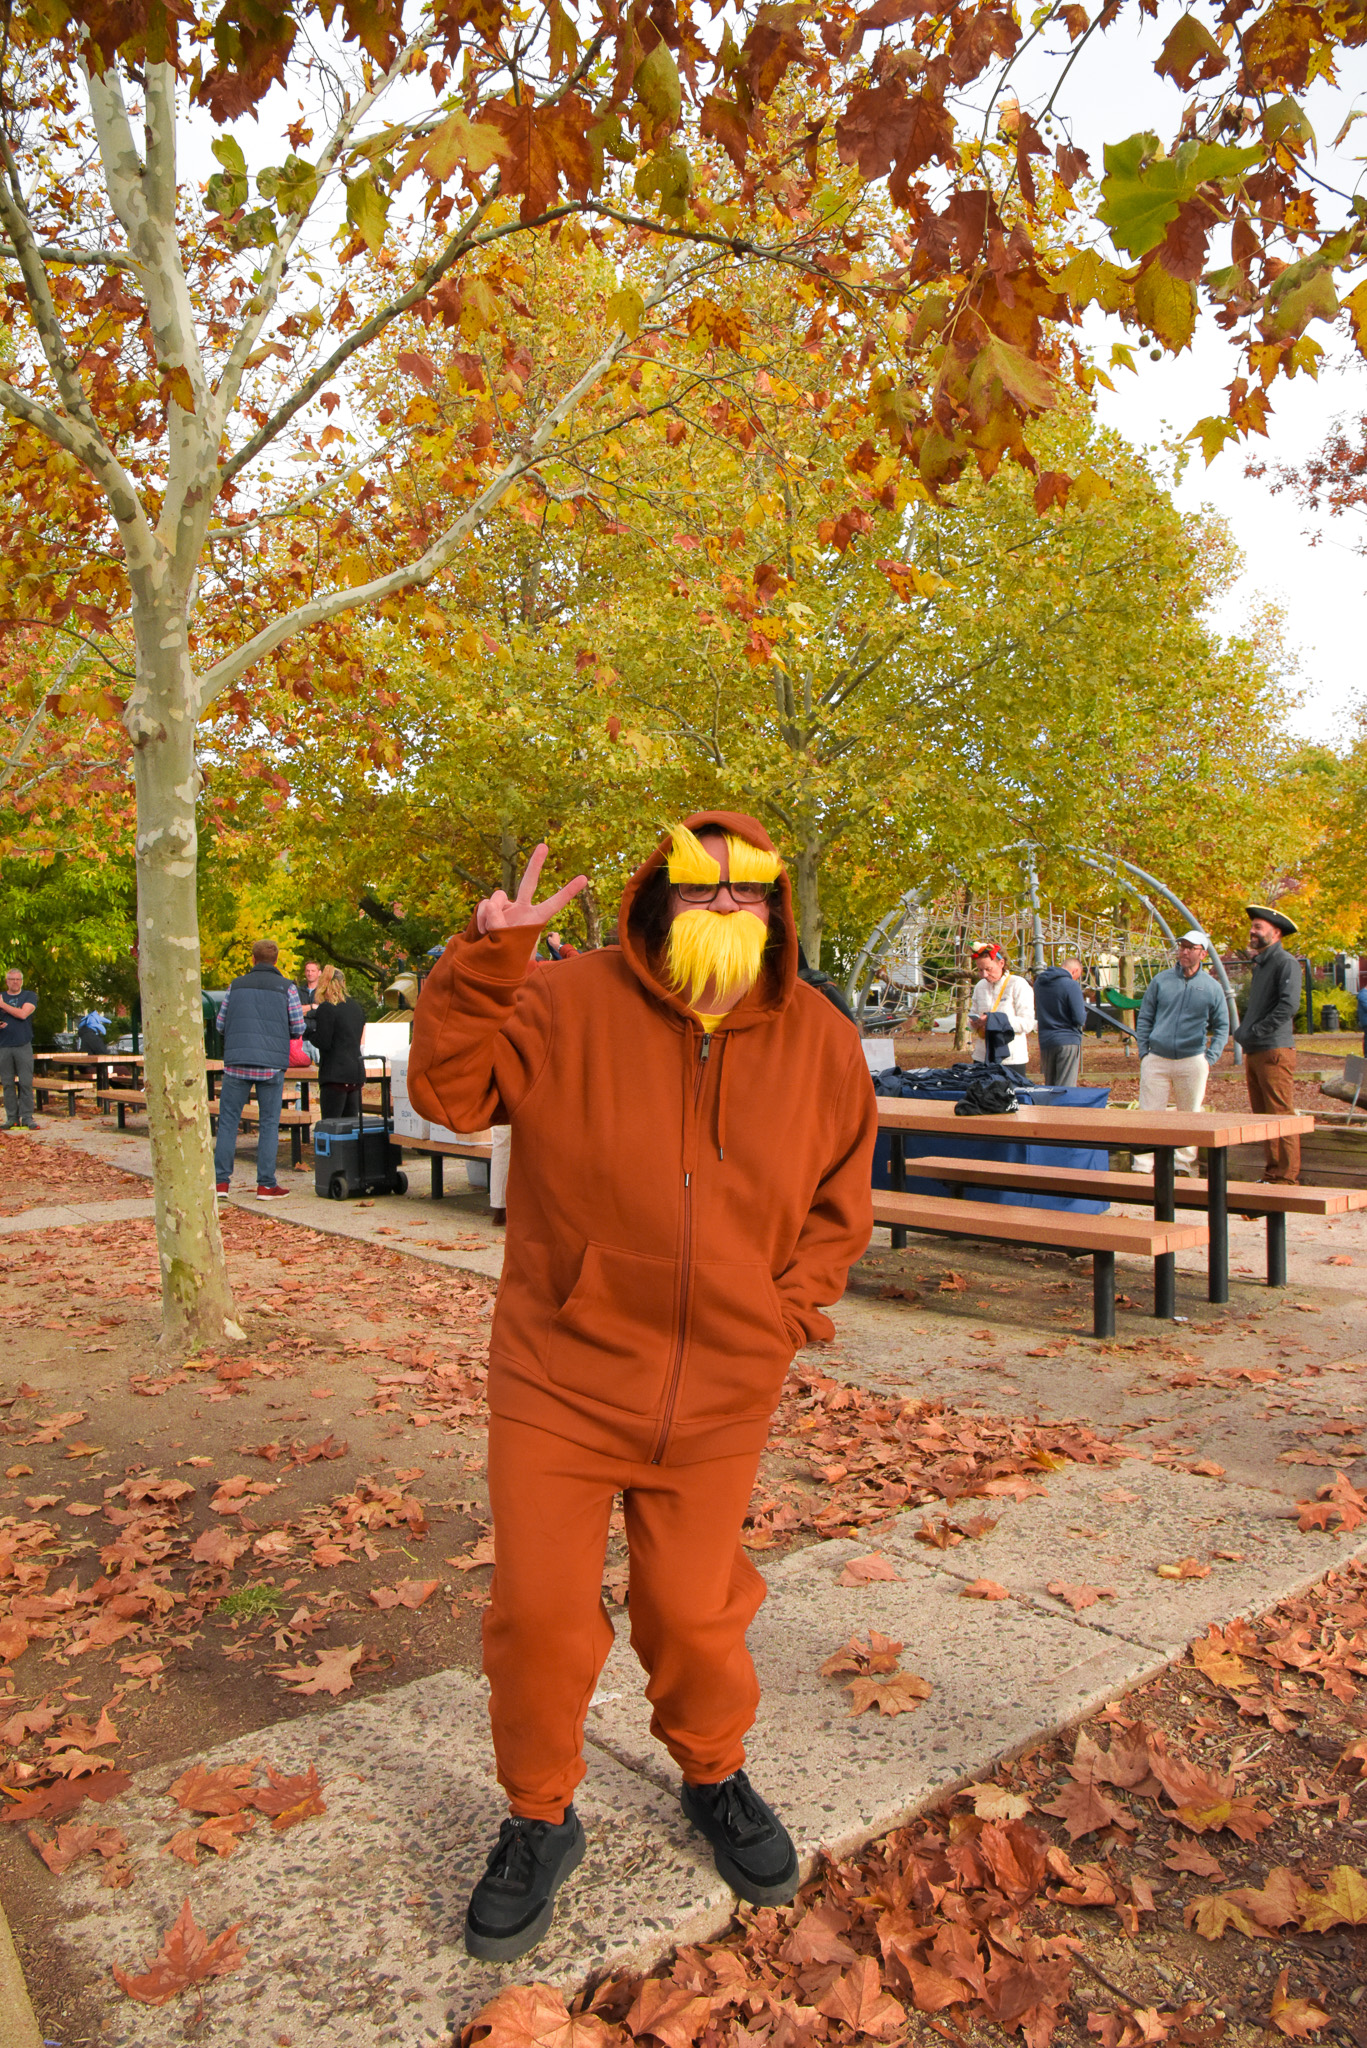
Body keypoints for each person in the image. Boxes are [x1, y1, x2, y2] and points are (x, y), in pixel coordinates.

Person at [408, 812, 875, 1963]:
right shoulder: (562, 1002)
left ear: (777, 907)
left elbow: (840, 1198)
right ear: (656, 898)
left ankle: (713, 1775)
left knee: (695, 1609)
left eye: (748, 891)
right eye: (700, 889)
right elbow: (447, 1092)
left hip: (721, 1390)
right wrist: (486, 960)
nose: (725, 908)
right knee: (540, 1612)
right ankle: (538, 1813)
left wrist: (781, 1316)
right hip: (558, 1380)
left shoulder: (819, 1035)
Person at [1130, 933, 1229, 1177]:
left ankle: (1183, 1166)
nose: (1184, 952)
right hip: (1157, 1058)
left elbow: (1222, 1025)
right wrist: (1145, 1052)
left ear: (1203, 954)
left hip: (1192, 1059)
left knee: (1190, 1114)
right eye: (1182, 947)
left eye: (1190, 948)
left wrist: (1209, 1059)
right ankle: (1143, 1166)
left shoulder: (1212, 987)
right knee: (1149, 1114)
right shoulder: (1161, 981)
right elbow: (1145, 1017)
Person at [214, 940, 305, 1200]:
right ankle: (266, 1184)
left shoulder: (235, 985)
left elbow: (221, 1024)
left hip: (237, 1062)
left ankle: (221, 1183)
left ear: (253, 959)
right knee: (268, 1124)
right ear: (276, 961)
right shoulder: (287, 988)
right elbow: (298, 1028)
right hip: (271, 1065)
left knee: (228, 1122)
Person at [1233, 904, 1304, 1184]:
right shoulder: (1262, 964)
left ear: (1275, 933)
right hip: (1257, 1049)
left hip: (1274, 1050)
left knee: (1280, 1114)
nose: (1252, 931)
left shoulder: (1285, 962)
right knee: (1262, 1115)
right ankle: (1272, 1172)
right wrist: (1246, 1034)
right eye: (1252, 927)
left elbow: (1289, 1005)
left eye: (1258, 927)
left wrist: (1256, 1031)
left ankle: (1287, 1176)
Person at [968, 943, 1035, 1081]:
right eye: (980, 970)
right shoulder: (980, 986)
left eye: (988, 969)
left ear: (1001, 963)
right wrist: (974, 1024)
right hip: (982, 1055)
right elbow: (971, 1016)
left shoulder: (1018, 984)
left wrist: (994, 1020)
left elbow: (1027, 1024)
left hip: (1011, 1058)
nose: (984, 975)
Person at [310, 966, 367, 1119]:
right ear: (343, 983)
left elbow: (324, 1042)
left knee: (331, 1124)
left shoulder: (327, 1008)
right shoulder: (355, 1007)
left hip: (335, 1073)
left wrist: (308, 1033)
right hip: (355, 1072)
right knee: (351, 1125)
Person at [1033, 957, 1087, 1087]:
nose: (1076, 980)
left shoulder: (1040, 983)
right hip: (1067, 1039)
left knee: (1050, 1086)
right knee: (1065, 1088)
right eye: (1077, 976)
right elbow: (1079, 1018)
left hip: (1046, 1040)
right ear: (1075, 971)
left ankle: (1049, 1108)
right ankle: (1063, 1108)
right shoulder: (1071, 984)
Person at [0, 969, 38, 1130]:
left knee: (25, 1082)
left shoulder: (29, 996)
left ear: (21, 981)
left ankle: (27, 1117)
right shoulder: (2, 995)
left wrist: (2, 1005)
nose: (15, 982)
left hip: (23, 1044)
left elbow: (23, 1014)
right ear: (6, 981)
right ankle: (12, 1118)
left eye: (18, 979)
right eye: (12, 979)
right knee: (7, 1083)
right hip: (4, 1045)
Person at [295, 960, 323, 1060]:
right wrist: (312, 1006)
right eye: (307, 971)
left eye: (313, 971)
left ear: (319, 973)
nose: (310, 973)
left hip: (318, 1039)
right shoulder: (297, 991)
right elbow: (294, 1011)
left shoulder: (323, 992)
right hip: (301, 1040)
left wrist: (304, 1012)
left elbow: (323, 1012)